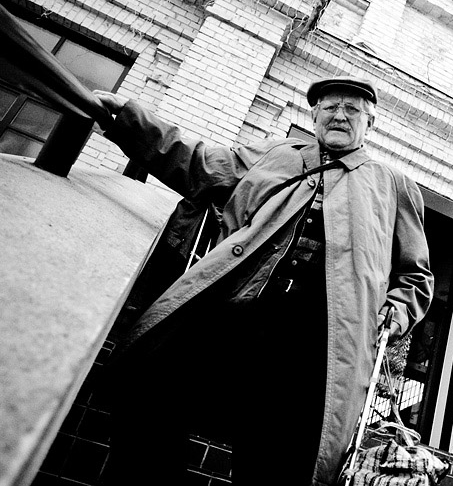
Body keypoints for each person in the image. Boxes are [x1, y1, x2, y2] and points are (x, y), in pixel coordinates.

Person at [92, 76, 433, 486]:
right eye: (330, 108)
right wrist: (128, 119)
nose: (340, 116)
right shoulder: (276, 153)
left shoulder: (394, 185)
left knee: (277, 460)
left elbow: (416, 274)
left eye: (352, 109)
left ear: (370, 122)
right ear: (314, 116)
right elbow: (199, 162)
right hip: (232, 315)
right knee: (148, 391)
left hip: (317, 346)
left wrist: (397, 311)